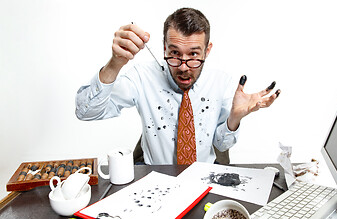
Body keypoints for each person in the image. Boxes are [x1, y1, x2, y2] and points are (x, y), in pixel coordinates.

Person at [75, 7, 280, 165]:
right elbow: (86, 112)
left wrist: (234, 118)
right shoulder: (142, 77)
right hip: (153, 177)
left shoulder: (221, 82)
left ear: (207, 51)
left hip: (204, 178)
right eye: (174, 53)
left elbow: (222, 144)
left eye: (193, 54)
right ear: (164, 47)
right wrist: (115, 63)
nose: (183, 67)